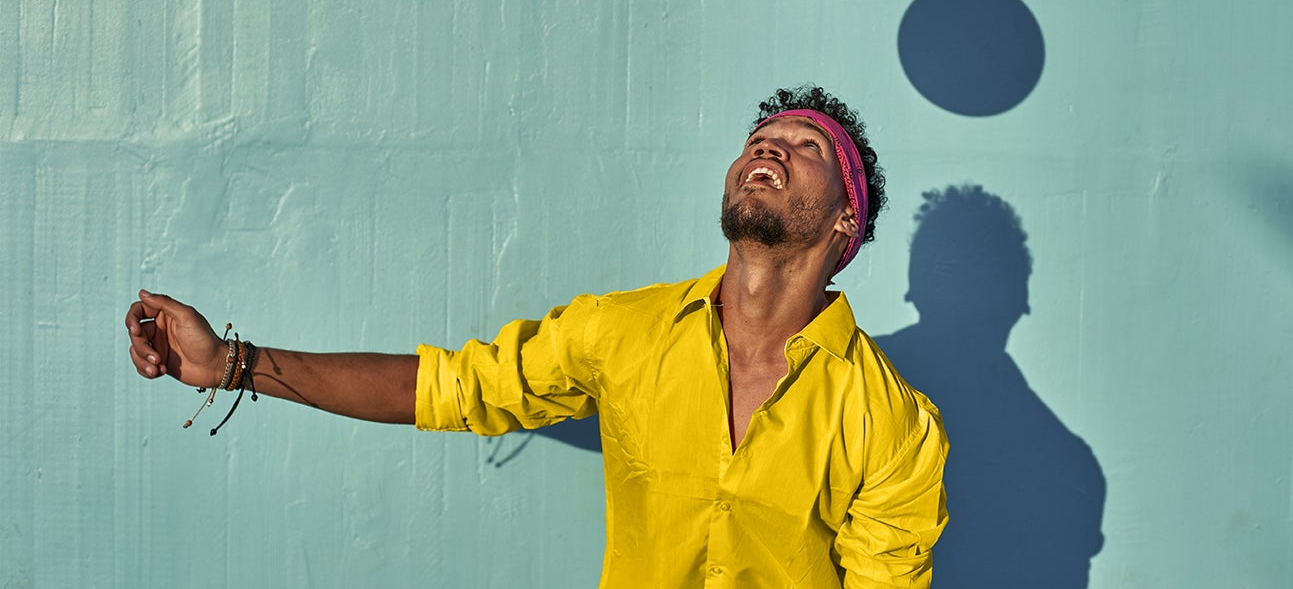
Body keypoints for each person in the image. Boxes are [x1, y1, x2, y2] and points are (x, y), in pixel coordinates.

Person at [125, 86, 948, 588]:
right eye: (761, 138)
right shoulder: (621, 333)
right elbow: (449, 388)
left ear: (847, 221)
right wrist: (230, 364)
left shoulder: (892, 424)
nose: (770, 144)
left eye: (807, 147)